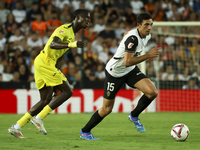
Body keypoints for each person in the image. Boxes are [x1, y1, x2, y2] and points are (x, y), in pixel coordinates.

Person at [8, 9, 91, 138]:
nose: (88, 21)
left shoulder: (72, 34)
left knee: (45, 99)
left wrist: (56, 74)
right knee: (68, 91)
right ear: (78, 17)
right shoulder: (65, 29)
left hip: (46, 64)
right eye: (86, 18)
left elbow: (59, 55)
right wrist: (73, 44)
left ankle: (17, 127)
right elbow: (53, 44)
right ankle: (39, 118)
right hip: (45, 63)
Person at [80, 13, 160, 140]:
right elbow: (127, 61)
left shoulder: (146, 35)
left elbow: (126, 40)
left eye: (151, 24)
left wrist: (126, 37)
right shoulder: (132, 39)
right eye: (146, 24)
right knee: (107, 109)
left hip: (129, 70)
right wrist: (148, 55)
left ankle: (134, 115)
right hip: (115, 73)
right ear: (139, 25)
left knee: (152, 92)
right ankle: (85, 131)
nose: (149, 27)